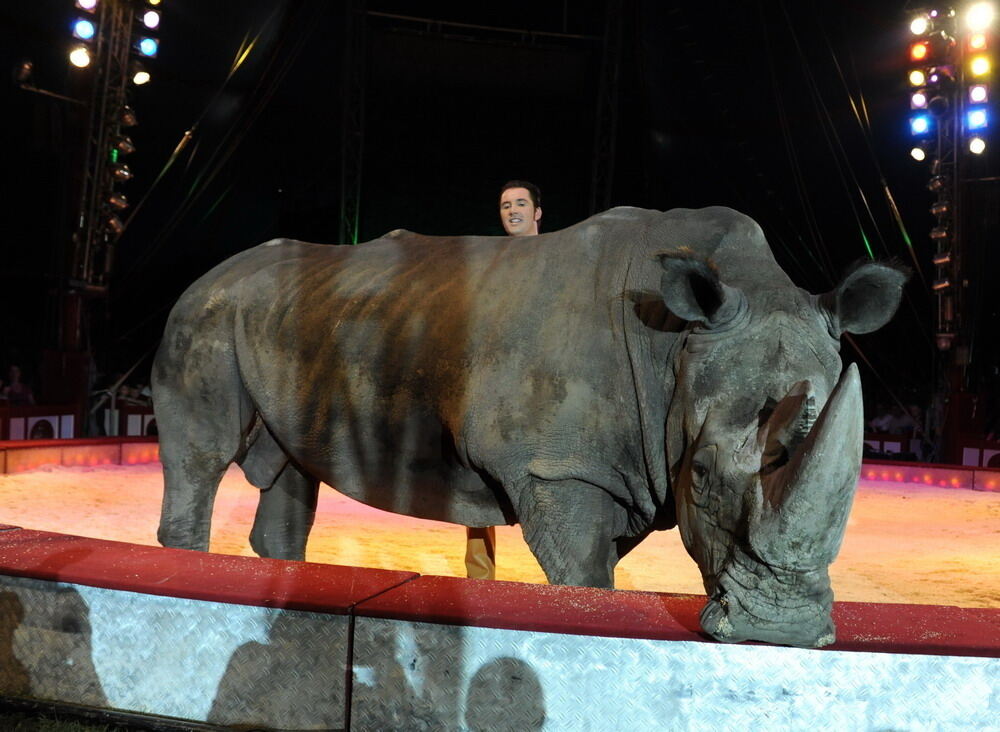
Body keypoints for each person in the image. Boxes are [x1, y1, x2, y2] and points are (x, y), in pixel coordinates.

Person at [464, 180, 544, 581]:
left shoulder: (555, 260)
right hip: (496, 386)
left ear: (537, 212)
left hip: (543, 390)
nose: (511, 210)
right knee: (478, 479)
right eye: (505, 205)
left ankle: (561, 579)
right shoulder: (492, 263)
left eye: (520, 203)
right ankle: (480, 581)